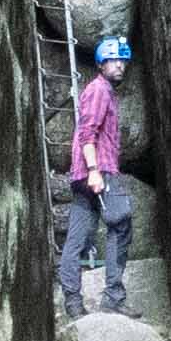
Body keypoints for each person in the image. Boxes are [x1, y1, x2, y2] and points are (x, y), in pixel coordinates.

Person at [60, 33, 135, 317]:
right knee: (121, 222)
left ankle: (73, 304)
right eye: (114, 59)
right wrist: (94, 171)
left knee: (76, 238)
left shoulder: (101, 90)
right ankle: (113, 299)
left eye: (123, 61)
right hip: (97, 170)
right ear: (102, 62)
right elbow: (87, 133)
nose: (120, 65)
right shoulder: (99, 90)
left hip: (85, 174)